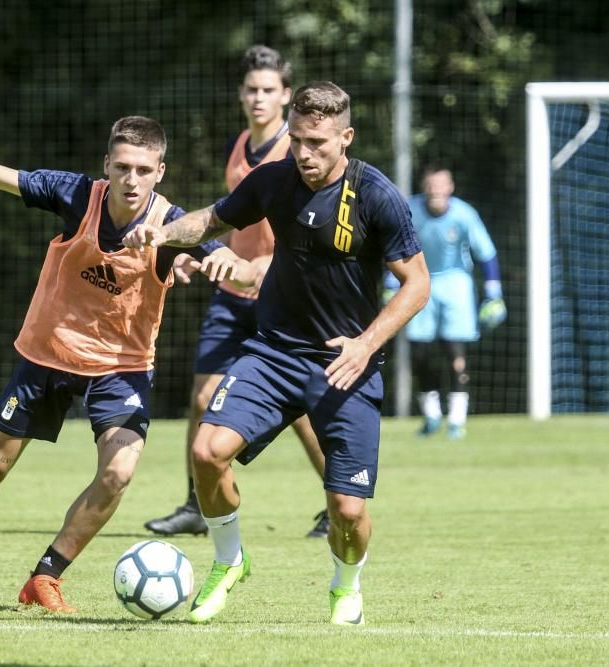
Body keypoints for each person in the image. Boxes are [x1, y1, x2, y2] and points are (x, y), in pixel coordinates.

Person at [0, 99, 251, 613]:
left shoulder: (172, 225)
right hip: (46, 354)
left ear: (160, 172)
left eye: (143, 170)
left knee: (119, 472)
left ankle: (46, 575)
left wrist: (229, 265)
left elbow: (235, 263)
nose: (131, 179)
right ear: (106, 165)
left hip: (120, 370)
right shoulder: (76, 195)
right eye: (122, 167)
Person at [124, 82, 430, 626]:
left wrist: (365, 345)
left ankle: (346, 586)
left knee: (348, 509)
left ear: (346, 137)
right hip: (273, 352)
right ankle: (229, 560)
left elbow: (416, 285)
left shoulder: (376, 196)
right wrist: (161, 233)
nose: (305, 153)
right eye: (297, 140)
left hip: (344, 361)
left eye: (318, 142)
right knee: (206, 450)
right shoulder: (272, 179)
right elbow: (213, 220)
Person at [143, 45, 330, 540]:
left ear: (287, 96)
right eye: (251, 89)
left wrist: (259, 267)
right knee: (202, 398)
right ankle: (195, 505)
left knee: (299, 410)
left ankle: (337, 499)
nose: (259, 98)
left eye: (269, 90)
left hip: (279, 294)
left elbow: (302, 237)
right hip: (231, 292)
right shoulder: (240, 144)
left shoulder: (298, 153)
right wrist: (195, 252)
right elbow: (236, 222)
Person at [385, 164, 506, 440]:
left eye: (441, 185)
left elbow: (486, 253)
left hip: (456, 284)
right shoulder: (410, 210)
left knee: (455, 353)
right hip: (420, 281)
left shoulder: (465, 214)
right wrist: (391, 284)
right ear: (424, 187)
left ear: (450, 188)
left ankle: (457, 419)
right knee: (420, 353)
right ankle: (431, 417)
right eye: (431, 185)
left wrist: (493, 293)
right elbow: (393, 247)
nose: (436, 191)